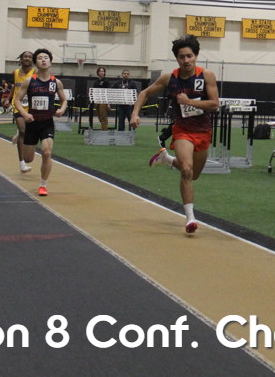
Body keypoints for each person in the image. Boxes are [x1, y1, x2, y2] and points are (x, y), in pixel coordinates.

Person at [131, 35, 219, 235]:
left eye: (189, 56)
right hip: (182, 130)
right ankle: (190, 218)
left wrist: (190, 102)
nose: (186, 60)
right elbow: (144, 93)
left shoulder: (206, 76)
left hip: (203, 131)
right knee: (186, 170)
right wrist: (135, 113)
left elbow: (214, 104)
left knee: (194, 174)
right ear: (177, 59)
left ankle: (167, 160)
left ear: (196, 56)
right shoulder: (169, 79)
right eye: (181, 57)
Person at [13, 48, 68, 197]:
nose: (43, 60)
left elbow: (64, 100)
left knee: (46, 152)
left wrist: (62, 109)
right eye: (40, 58)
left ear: (50, 62)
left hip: (47, 123)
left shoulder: (56, 82)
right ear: (35, 63)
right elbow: (17, 100)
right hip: (32, 123)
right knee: (28, 158)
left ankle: (43, 185)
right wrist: (25, 114)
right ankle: (20, 135)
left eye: (46, 58)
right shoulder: (29, 81)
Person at [10, 51, 36, 173]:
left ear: (32, 60)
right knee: (22, 130)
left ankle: (20, 136)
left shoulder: (35, 72)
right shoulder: (15, 72)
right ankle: (22, 164)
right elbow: (14, 87)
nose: (27, 58)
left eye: (30, 57)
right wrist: (8, 99)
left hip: (32, 107)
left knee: (28, 132)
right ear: (21, 59)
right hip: (18, 105)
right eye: (25, 56)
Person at [93, 66, 110, 130]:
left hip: (103, 100)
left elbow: (108, 92)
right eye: (100, 71)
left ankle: (104, 130)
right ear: (98, 72)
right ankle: (104, 127)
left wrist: (108, 103)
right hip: (97, 100)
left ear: (104, 73)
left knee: (103, 115)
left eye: (103, 71)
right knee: (99, 115)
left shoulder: (106, 81)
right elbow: (94, 91)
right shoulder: (96, 82)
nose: (101, 72)